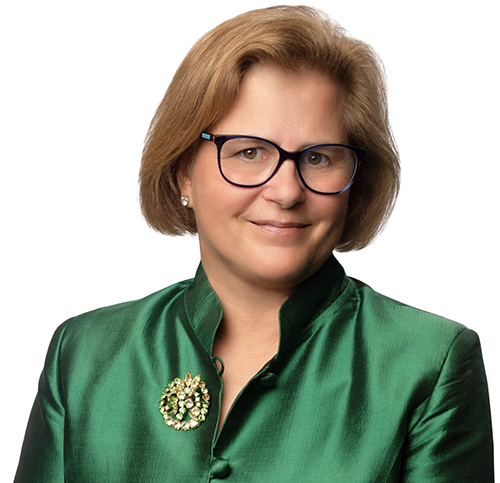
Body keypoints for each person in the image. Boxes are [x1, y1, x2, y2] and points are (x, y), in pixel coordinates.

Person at [15, 5, 493, 482]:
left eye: (319, 158)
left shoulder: (430, 363)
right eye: (249, 152)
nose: (286, 192)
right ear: (183, 172)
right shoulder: (85, 354)